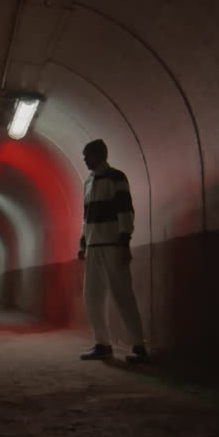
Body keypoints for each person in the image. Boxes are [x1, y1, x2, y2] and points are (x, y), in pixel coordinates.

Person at [76, 139, 150, 363]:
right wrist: (82, 244)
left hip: (112, 245)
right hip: (94, 247)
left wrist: (124, 240)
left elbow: (125, 209)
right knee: (92, 297)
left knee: (123, 295)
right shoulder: (88, 182)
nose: (85, 160)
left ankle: (138, 347)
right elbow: (86, 218)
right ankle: (103, 344)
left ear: (100, 155)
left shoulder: (116, 177)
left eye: (87, 155)